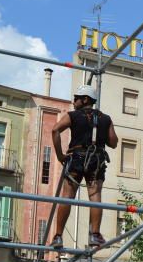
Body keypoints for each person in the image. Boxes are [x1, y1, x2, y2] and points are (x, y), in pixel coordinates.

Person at [50, 84, 117, 249]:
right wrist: (101, 131)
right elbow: (114, 142)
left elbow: (55, 130)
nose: (73, 102)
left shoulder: (73, 116)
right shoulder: (105, 118)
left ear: (85, 99)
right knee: (95, 196)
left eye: (76, 98)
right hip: (97, 160)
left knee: (67, 196)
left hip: (76, 158)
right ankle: (95, 234)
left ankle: (58, 236)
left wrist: (59, 155)